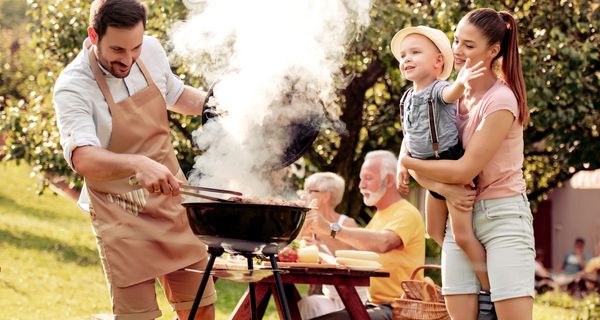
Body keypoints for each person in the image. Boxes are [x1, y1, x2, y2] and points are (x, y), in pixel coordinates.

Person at [53, 0, 216, 319]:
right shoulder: (73, 86)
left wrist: (218, 106)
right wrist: (137, 164)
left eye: (135, 48)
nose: (128, 59)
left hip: (173, 203)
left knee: (201, 310)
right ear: (94, 35)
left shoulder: (151, 50)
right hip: (120, 214)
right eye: (117, 51)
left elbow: (176, 95)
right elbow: (83, 157)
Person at [400, 8, 535, 320]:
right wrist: (430, 180)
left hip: (502, 219)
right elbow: (420, 150)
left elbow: (463, 170)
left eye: (469, 46)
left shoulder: (501, 101)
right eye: (456, 40)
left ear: (493, 51)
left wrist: (406, 162)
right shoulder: (448, 96)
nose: (458, 51)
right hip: (458, 216)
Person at [390, 25, 490, 294]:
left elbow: (451, 94)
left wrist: (462, 81)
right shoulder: (408, 97)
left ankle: (488, 287)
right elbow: (408, 135)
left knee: (462, 235)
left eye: (415, 52)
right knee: (434, 230)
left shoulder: (438, 89)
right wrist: (402, 161)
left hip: (445, 161)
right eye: (403, 55)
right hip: (428, 172)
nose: (406, 59)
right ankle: (465, 274)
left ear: (437, 62)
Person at [304, 150, 425, 320]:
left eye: (368, 178)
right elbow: (354, 250)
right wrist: (319, 243)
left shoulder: (406, 213)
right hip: (374, 304)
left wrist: (330, 228)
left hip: (400, 309)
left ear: (389, 180)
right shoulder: (379, 216)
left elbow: (383, 243)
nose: (361, 185)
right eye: (361, 179)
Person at [297, 172, 368, 319]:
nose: (304, 195)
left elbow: (346, 252)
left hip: (354, 298)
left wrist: (321, 234)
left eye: (309, 191)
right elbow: (293, 249)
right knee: (305, 305)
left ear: (326, 196)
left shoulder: (346, 224)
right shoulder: (308, 224)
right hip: (330, 297)